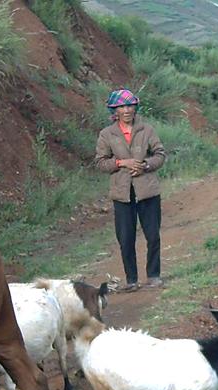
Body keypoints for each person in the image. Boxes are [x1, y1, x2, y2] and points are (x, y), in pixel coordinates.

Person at [95, 88, 166, 292]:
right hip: (122, 193)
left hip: (147, 191)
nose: (127, 110)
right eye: (122, 106)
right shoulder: (107, 134)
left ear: (135, 107)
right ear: (114, 111)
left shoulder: (147, 130)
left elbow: (160, 154)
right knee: (126, 238)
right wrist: (122, 162)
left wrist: (145, 165)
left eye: (130, 105)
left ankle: (153, 275)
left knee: (152, 235)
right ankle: (131, 279)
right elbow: (100, 163)